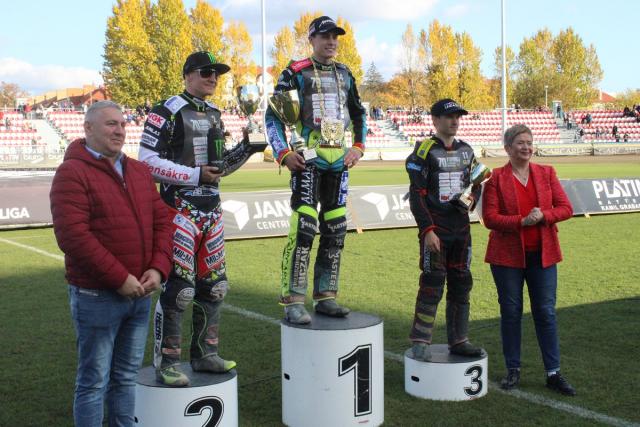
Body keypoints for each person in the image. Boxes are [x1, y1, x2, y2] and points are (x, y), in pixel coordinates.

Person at [138, 51, 265, 387]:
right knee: (179, 290)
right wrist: (194, 175)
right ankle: (167, 362)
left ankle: (205, 354)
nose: (212, 78)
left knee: (215, 287)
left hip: (212, 212)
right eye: (206, 72)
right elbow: (146, 162)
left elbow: (218, 170)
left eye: (216, 74)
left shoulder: (215, 114)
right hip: (177, 212)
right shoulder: (166, 111)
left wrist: (248, 147)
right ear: (188, 75)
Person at [50, 101, 173, 426]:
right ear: (88, 128)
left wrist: (158, 268)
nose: (119, 130)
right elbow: (73, 236)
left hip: (140, 294)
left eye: (122, 124)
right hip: (97, 297)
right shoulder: (71, 173)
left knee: (126, 377)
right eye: (110, 124)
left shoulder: (138, 171)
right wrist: (119, 278)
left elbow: (163, 222)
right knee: (94, 382)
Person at [264, 15, 367, 324]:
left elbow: (359, 114)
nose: (331, 41)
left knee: (335, 229)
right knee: (305, 227)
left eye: (335, 36)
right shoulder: (295, 72)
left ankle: (326, 297)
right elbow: (273, 117)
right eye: (325, 36)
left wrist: (358, 147)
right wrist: (283, 153)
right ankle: (293, 300)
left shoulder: (345, 73)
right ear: (311, 39)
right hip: (307, 160)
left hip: (339, 162)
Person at [482, 124, 576, 396]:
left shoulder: (547, 173)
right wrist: (521, 221)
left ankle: (553, 372)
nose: (526, 147)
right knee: (511, 313)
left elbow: (566, 208)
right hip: (507, 258)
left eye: (529, 142)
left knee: (545, 312)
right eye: (520, 143)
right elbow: (490, 218)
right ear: (508, 148)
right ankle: (513, 369)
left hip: (543, 256)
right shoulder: (496, 178)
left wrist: (544, 215)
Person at [405, 98, 484, 361]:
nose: (455, 121)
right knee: (432, 283)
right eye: (449, 117)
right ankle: (420, 340)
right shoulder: (424, 151)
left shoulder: (467, 150)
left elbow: (477, 183)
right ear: (435, 120)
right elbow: (416, 195)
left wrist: (472, 199)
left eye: (458, 117)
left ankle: (459, 340)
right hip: (436, 231)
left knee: (462, 282)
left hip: (461, 231)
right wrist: (427, 230)